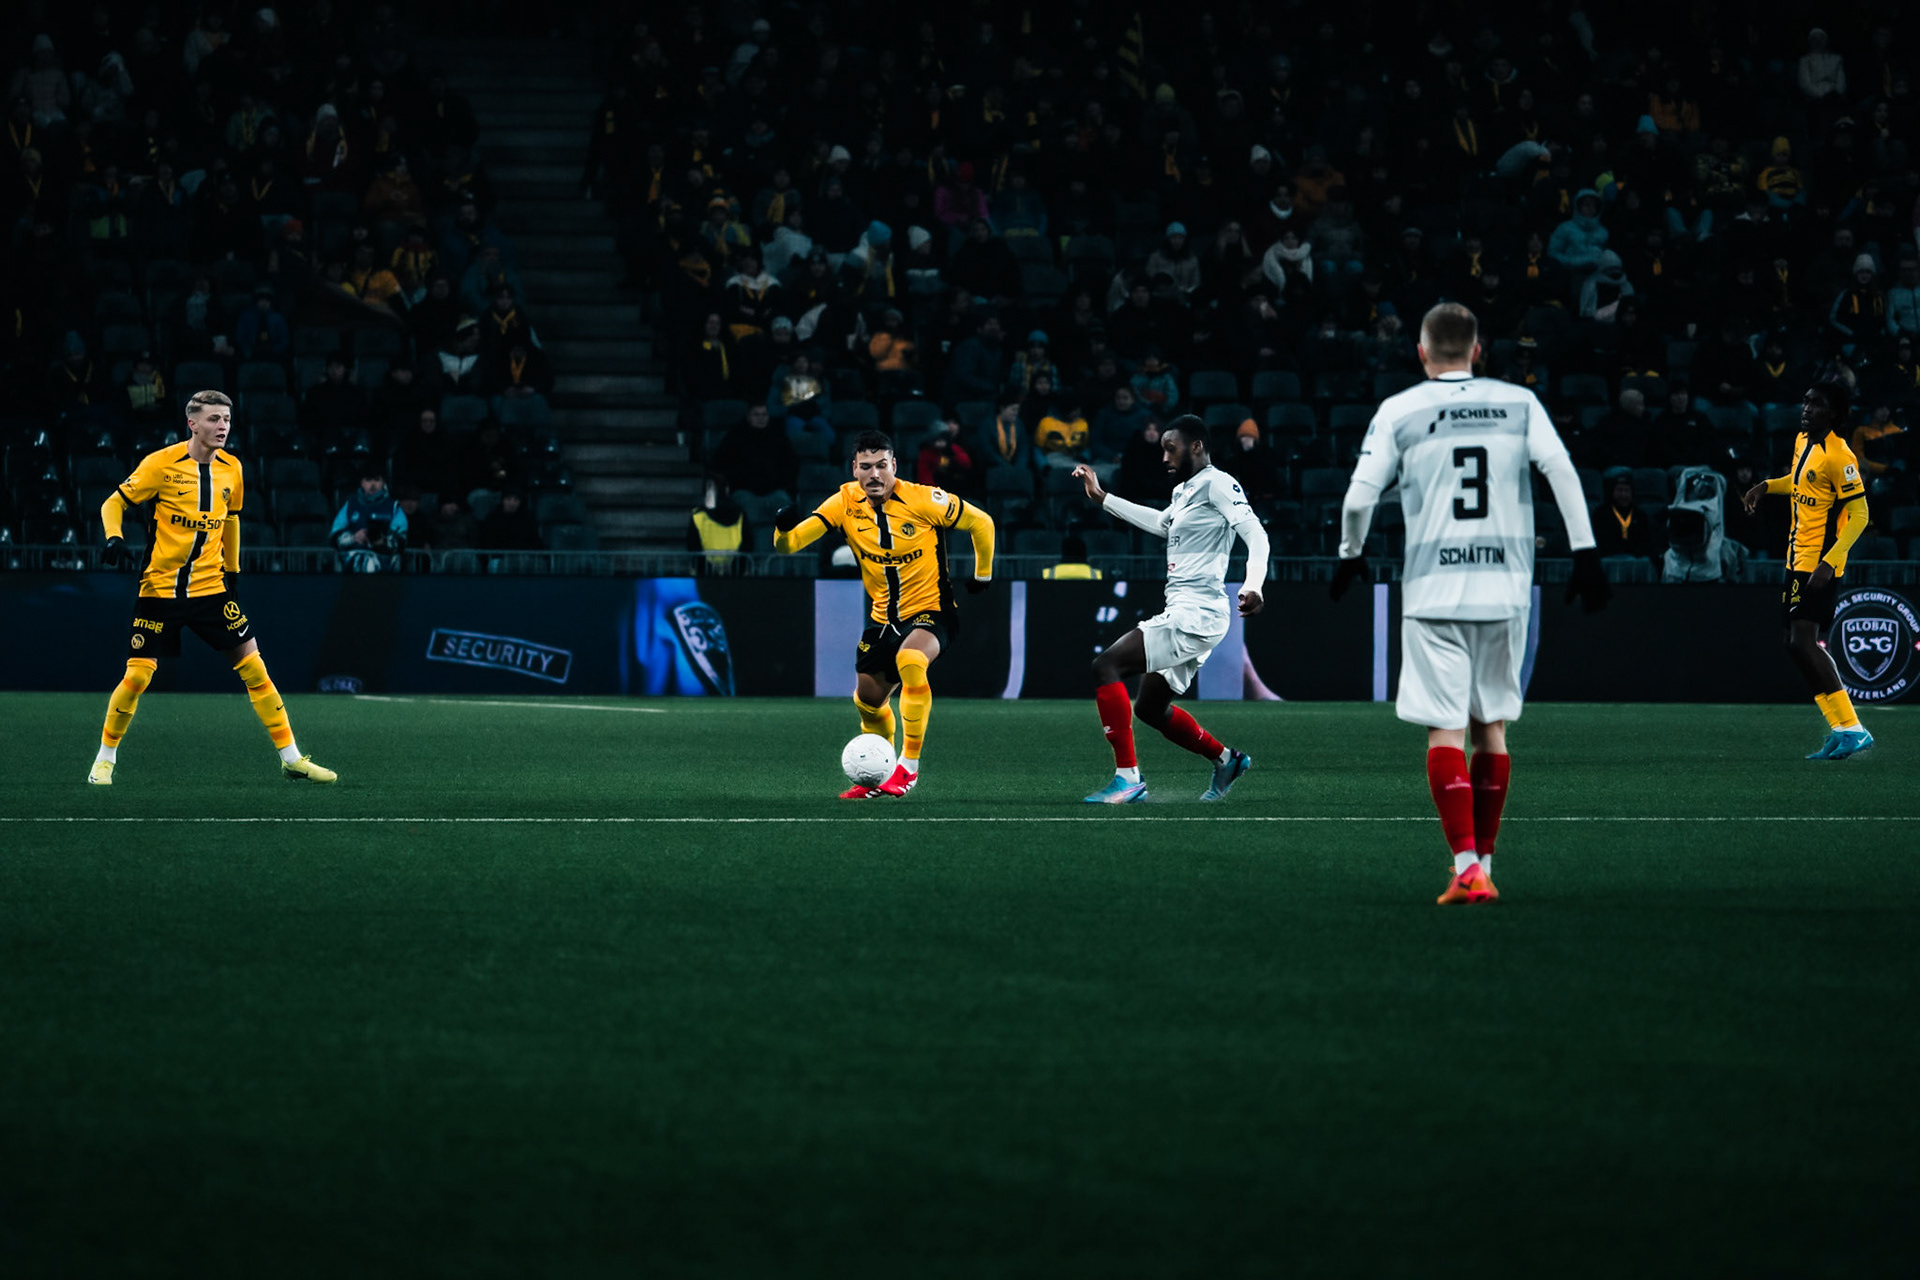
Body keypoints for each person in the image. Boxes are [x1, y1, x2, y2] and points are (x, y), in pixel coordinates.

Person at [1330, 303, 1608, 905]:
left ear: (1423, 353)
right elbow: (1561, 470)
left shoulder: (1400, 409)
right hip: (1505, 589)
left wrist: (1351, 553)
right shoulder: (1518, 403)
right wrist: (1585, 550)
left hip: (1433, 592)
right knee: (1493, 730)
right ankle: (1485, 861)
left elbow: (1358, 498)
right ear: (1478, 351)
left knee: (1444, 733)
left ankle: (1465, 867)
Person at [88, 391, 335, 786]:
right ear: (193, 424)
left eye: (227, 420)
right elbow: (112, 503)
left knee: (255, 669)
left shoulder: (232, 468)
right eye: (215, 419)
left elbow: (232, 520)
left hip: (211, 590)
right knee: (137, 678)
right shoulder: (160, 465)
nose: (223, 427)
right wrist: (114, 538)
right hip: (160, 591)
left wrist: (232, 572)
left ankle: (291, 759)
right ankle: (104, 760)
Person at [772, 431, 997, 798]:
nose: (874, 474)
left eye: (881, 466)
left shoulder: (925, 499)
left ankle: (908, 767)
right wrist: (782, 529)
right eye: (866, 467)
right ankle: (876, 777)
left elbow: (981, 522)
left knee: (911, 659)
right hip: (882, 620)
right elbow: (790, 544)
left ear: (894, 466)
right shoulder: (844, 502)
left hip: (932, 610)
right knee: (867, 701)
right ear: (854, 470)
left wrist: (982, 574)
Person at [1068, 415, 1269, 804]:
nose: (1163, 456)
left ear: (1196, 446)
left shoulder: (1219, 483)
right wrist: (1102, 498)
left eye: (1170, 447)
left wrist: (1253, 584)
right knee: (1149, 707)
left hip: (1196, 613)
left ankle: (1128, 779)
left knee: (1105, 665)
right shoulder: (1185, 492)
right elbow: (1161, 523)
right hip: (1187, 611)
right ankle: (1226, 759)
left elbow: (1256, 534)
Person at [1739, 381, 1874, 760]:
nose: (1806, 408)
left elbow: (1861, 515)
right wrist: (1766, 486)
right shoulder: (1802, 442)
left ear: (1833, 413)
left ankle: (1854, 729)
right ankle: (1841, 729)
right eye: (1805, 402)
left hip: (1819, 563)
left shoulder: (1840, 456)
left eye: (1816, 404)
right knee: (1794, 645)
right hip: (1795, 559)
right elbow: (1798, 486)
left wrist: (1830, 562)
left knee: (1803, 641)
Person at [330, 466, 409, 573]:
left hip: (386, 569)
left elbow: (401, 540)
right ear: (361, 483)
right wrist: (354, 538)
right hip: (352, 569)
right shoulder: (350, 505)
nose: (372, 485)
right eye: (368, 480)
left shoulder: (394, 507)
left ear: (383, 483)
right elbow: (335, 536)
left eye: (376, 480)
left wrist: (383, 541)